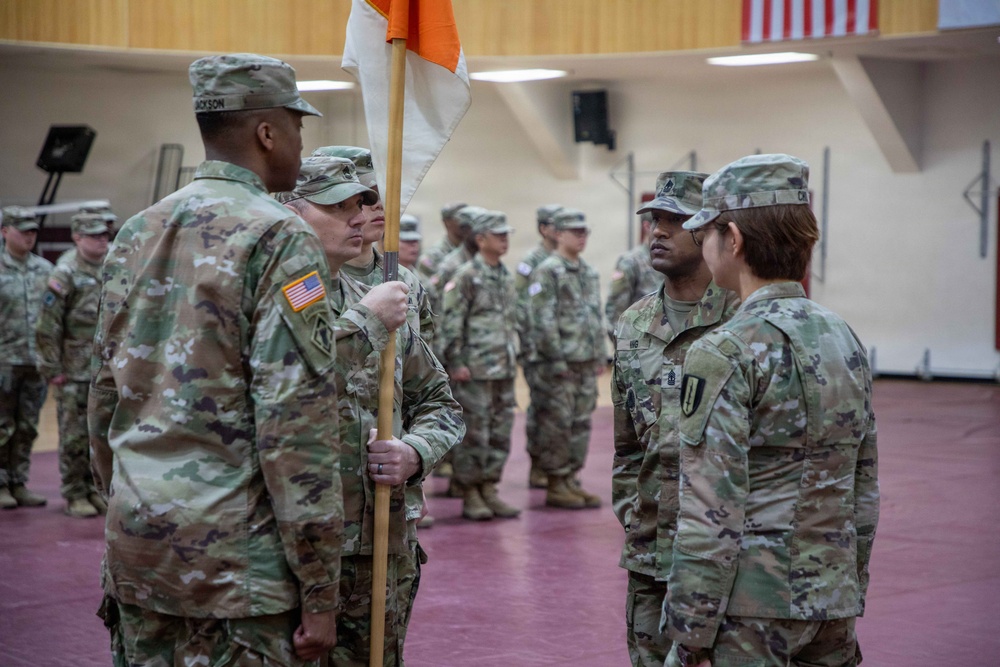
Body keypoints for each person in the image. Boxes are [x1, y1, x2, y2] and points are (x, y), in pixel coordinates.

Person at [89, 53, 348, 665]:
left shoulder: (138, 230)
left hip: (139, 547)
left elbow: (102, 394)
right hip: (238, 569)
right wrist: (320, 587)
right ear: (268, 133)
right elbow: (295, 425)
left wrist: (124, 499)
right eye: (298, 126)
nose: (301, 143)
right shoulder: (279, 236)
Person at [664, 154, 880, 667]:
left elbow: (710, 509)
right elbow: (863, 483)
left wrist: (691, 632)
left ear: (733, 240)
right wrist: (848, 585)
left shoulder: (724, 351)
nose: (703, 244)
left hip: (749, 611)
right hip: (831, 598)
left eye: (706, 233)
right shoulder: (841, 336)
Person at [279, 155, 464, 666]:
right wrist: (366, 322)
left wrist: (415, 452)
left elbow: (439, 401)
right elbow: (287, 384)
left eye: (362, 204)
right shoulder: (278, 301)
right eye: (340, 207)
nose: (361, 218)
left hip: (382, 535)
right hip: (296, 550)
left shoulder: (384, 297)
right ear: (293, 214)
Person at [610, 171, 740, 666]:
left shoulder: (742, 321)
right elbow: (627, 445)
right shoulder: (633, 324)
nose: (658, 231)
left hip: (727, 560)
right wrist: (633, 514)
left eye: (676, 221)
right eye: (654, 220)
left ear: (710, 233)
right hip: (650, 554)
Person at [439, 209, 521, 521]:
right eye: (498, 235)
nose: (505, 241)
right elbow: (452, 321)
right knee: (474, 433)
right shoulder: (466, 276)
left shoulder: (505, 276)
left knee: (500, 432)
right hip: (474, 369)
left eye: (506, 235)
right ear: (481, 239)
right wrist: (456, 361)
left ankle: (489, 487)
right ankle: (470, 491)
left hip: (503, 367)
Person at [35, 210, 114, 518]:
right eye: (94, 236)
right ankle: (74, 493)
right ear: (77, 238)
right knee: (74, 435)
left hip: (104, 369)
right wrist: (52, 368)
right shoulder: (65, 272)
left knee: (100, 435)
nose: (102, 241)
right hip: (73, 370)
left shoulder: (112, 264)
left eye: (104, 235)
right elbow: (48, 325)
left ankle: (94, 488)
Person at [527, 208, 605, 509]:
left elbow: (594, 315)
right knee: (558, 424)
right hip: (560, 363)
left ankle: (571, 478)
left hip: (585, 361)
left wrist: (599, 354)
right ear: (559, 234)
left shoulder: (588, 271)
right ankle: (556, 482)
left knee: (580, 423)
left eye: (585, 232)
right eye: (576, 232)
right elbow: (542, 319)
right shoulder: (548, 270)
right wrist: (556, 360)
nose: (582, 237)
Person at [0, 206, 53, 510]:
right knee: (2, 426)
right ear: (5, 231)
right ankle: (0, 484)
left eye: (33, 231)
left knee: (27, 426)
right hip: (4, 361)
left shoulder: (45, 270)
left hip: (35, 362)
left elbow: (53, 317)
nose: (29, 236)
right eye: (23, 231)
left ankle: (19, 482)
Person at [514, 203, 562, 490]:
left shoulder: (562, 260)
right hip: (536, 350)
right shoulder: (531, 262)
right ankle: (538, 465)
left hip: (559, 350)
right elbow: (521, 306)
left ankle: (556, 466)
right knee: (541, 409)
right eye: (557, 225)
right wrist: (530, 344)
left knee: (559, 413)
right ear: (544, 229)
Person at [605, 211, 664, 341]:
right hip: (638, 344)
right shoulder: (630, 262)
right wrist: (624, 346)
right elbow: (615, 312)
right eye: (659, 224)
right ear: (647, 226)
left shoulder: (670, 260)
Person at [418, 201, 468, 280]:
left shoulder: (474, 249)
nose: (465, 223)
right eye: (460, 218)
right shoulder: (433, 255)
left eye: (468, 218)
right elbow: (430, 285)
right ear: (447, 222)